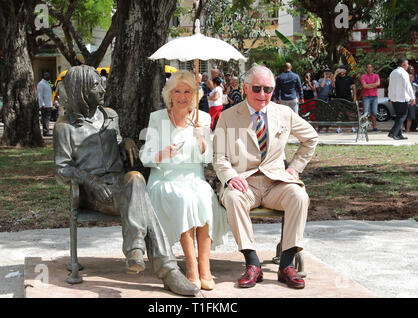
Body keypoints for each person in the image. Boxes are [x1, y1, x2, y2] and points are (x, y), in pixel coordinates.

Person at [53, 65, 199, 296]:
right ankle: (167, 270)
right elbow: (61, 169)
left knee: (135, 178)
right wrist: (92, 181)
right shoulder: (65, 127)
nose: (102, 88)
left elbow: (119, 143)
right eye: (95, 85)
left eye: (101, 83)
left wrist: (128, 143)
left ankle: (136, 251)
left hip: (122, 186)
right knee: (143, 200)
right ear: (80, 90)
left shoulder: (110, 116)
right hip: (93, 193)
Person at [213, 65, 318, 289]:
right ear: (245, 88)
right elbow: (219, 157)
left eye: (268, 89)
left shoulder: (284, 113)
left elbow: (311, 138)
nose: (263, 95)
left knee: (299, 195)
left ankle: (287, 265)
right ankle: (252, 263)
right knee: (232, 198)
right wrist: (230, 177)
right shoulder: (228, 116)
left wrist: (296, 167)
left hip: (276, 183)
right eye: (257, 88)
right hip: (244, 184)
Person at [140, 70, 228, 291]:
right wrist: (162, 153)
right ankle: (191, 267)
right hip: (165, 178)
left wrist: (202, 141)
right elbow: (145, 157)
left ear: (194, 95)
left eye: (187, 91)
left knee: (205, 198)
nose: (182, 96)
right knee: (185, 199)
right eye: (177, 91)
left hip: (194, 176)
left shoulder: (203, 118)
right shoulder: (158, 117)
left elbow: (207, 159)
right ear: (170, 94)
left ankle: (204, 267)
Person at [388, 58, 416, 140]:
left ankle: (399, 134)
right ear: (403, 64)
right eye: (407, 64)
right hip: (402, 98)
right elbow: (408, 86)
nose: (408, 65)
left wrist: (390, 98)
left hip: (394, 98)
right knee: (402, 116)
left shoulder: (393, 72)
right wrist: (413, 97)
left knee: (399, 116)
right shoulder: (404, 73)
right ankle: (393, 133)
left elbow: (390, 86)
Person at [331, 65, 357, 133]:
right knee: (339, 113)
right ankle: (339, 128)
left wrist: (355, 97)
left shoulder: (349, 78)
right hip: (339, 98)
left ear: (345, 71)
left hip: (348, 98)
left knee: (350, 113)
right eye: (340, 69)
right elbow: (332, 84)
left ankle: (353, 127)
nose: (341, 71)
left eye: (343, 69)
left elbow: (354, 87)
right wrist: (335, 73)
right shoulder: (336, 78)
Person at [360, 64, 380, 132]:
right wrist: (373, 85)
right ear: (366, 69)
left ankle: (374, 128)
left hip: (374, 97)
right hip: (366, 97)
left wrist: (368, 85)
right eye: (368, 67)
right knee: (365, 113)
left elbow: (378, 84)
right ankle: (364, 128)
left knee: (374, 113)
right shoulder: (363, 76)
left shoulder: (376, 76)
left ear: (372, 68)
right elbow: (364, 86)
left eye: (370, 67)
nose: (369, 68)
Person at [37, 72, 54, 137]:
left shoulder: (48, 83)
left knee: (48, 119)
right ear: (44, 76)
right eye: (47, 75)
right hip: (44, 105)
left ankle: (47, 130)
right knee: (45, 119)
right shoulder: (41, 84)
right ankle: (45, 132)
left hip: (49, 104)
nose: (49, 76)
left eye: (49, 75)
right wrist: (42, 104)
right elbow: (40, 95)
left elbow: (51, 92)